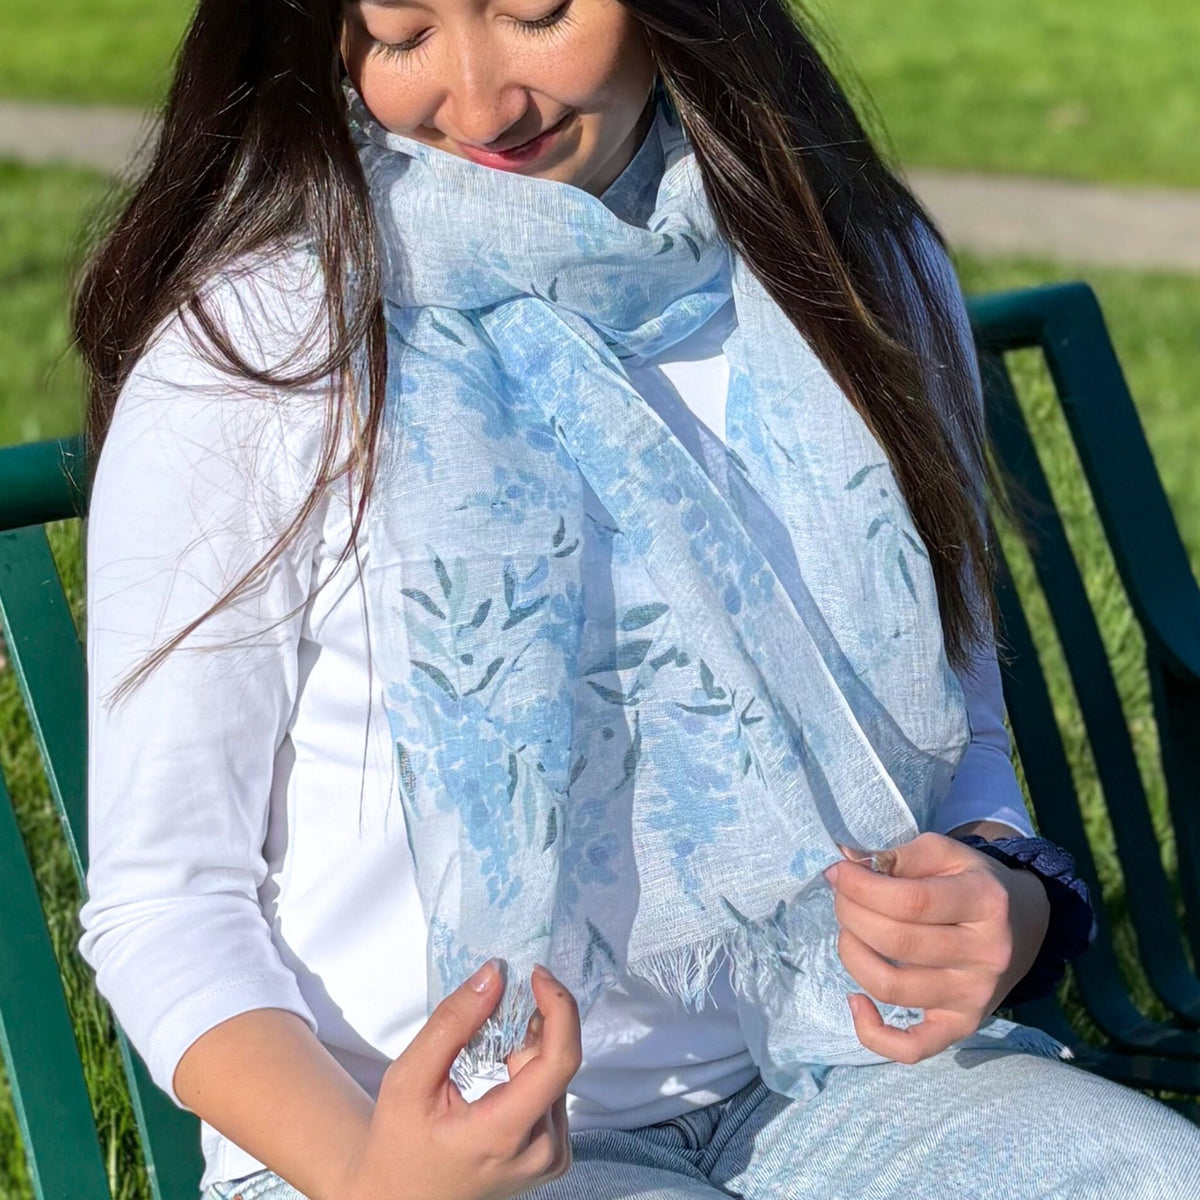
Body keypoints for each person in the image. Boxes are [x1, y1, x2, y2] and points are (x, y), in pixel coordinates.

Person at [72, 1, 1200, 1198]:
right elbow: (164, 902)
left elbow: (955, 737)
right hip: (408, 1146)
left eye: (537, 12)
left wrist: (1005, 899)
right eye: (402, 34)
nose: (479, 102)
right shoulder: (264, 342)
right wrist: (368, 1173)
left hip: (831, 1071)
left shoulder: (853, 272)